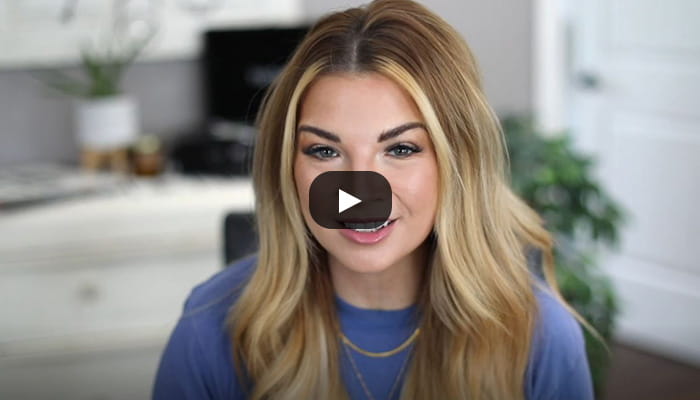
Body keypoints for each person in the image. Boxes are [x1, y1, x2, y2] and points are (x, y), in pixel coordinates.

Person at [152, 1, 595, 399]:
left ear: (458, 164)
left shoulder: (541, 339)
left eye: (400, 149)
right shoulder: (211, 327)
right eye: (324, 151)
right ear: (286, 166)